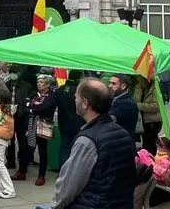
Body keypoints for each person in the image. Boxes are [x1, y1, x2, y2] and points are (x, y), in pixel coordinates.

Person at [49, 78, 136, 208]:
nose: (74, 100)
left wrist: (55, 205)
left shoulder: (87, 141)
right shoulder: (122, 133)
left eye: (76, 97)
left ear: (85, 103)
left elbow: (67, 189)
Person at [12, 74, 56, 186]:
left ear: (47, 84)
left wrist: (31, 108)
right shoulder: (33, 94)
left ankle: (41, 176)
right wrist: (32, 107)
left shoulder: (51, 96)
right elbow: (24, 103)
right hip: (31, 126)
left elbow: (43, 108)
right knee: (27, 149)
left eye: (41, 82)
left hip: (42, 127)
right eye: (38, 82)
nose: (39, 84)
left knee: (42, 151)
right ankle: (22, 171)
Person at [54, 70, 85, 169]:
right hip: (78, 124)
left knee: (64, 148)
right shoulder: (79, 92)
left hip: (63, 123)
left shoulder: (60, 90)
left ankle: (62, 171)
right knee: (76, 149)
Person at [133, 76, 161, 155]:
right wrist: (138, 88)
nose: (139, 82)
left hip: (152, 121)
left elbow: (156, 106)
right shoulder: (142, 88)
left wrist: (139, 105)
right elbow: (135, 101)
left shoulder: (155, 89)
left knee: (150, 144)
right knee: (145, 143)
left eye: (140, 80)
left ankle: (150, 162)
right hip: (142, 120)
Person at [108, 74, 139, 138]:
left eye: (113, 84)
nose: (110, 86)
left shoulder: (126, 103)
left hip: (122, 141)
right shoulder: (116, 99)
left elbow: (109, 119)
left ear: (123, 86)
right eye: (109, 83)